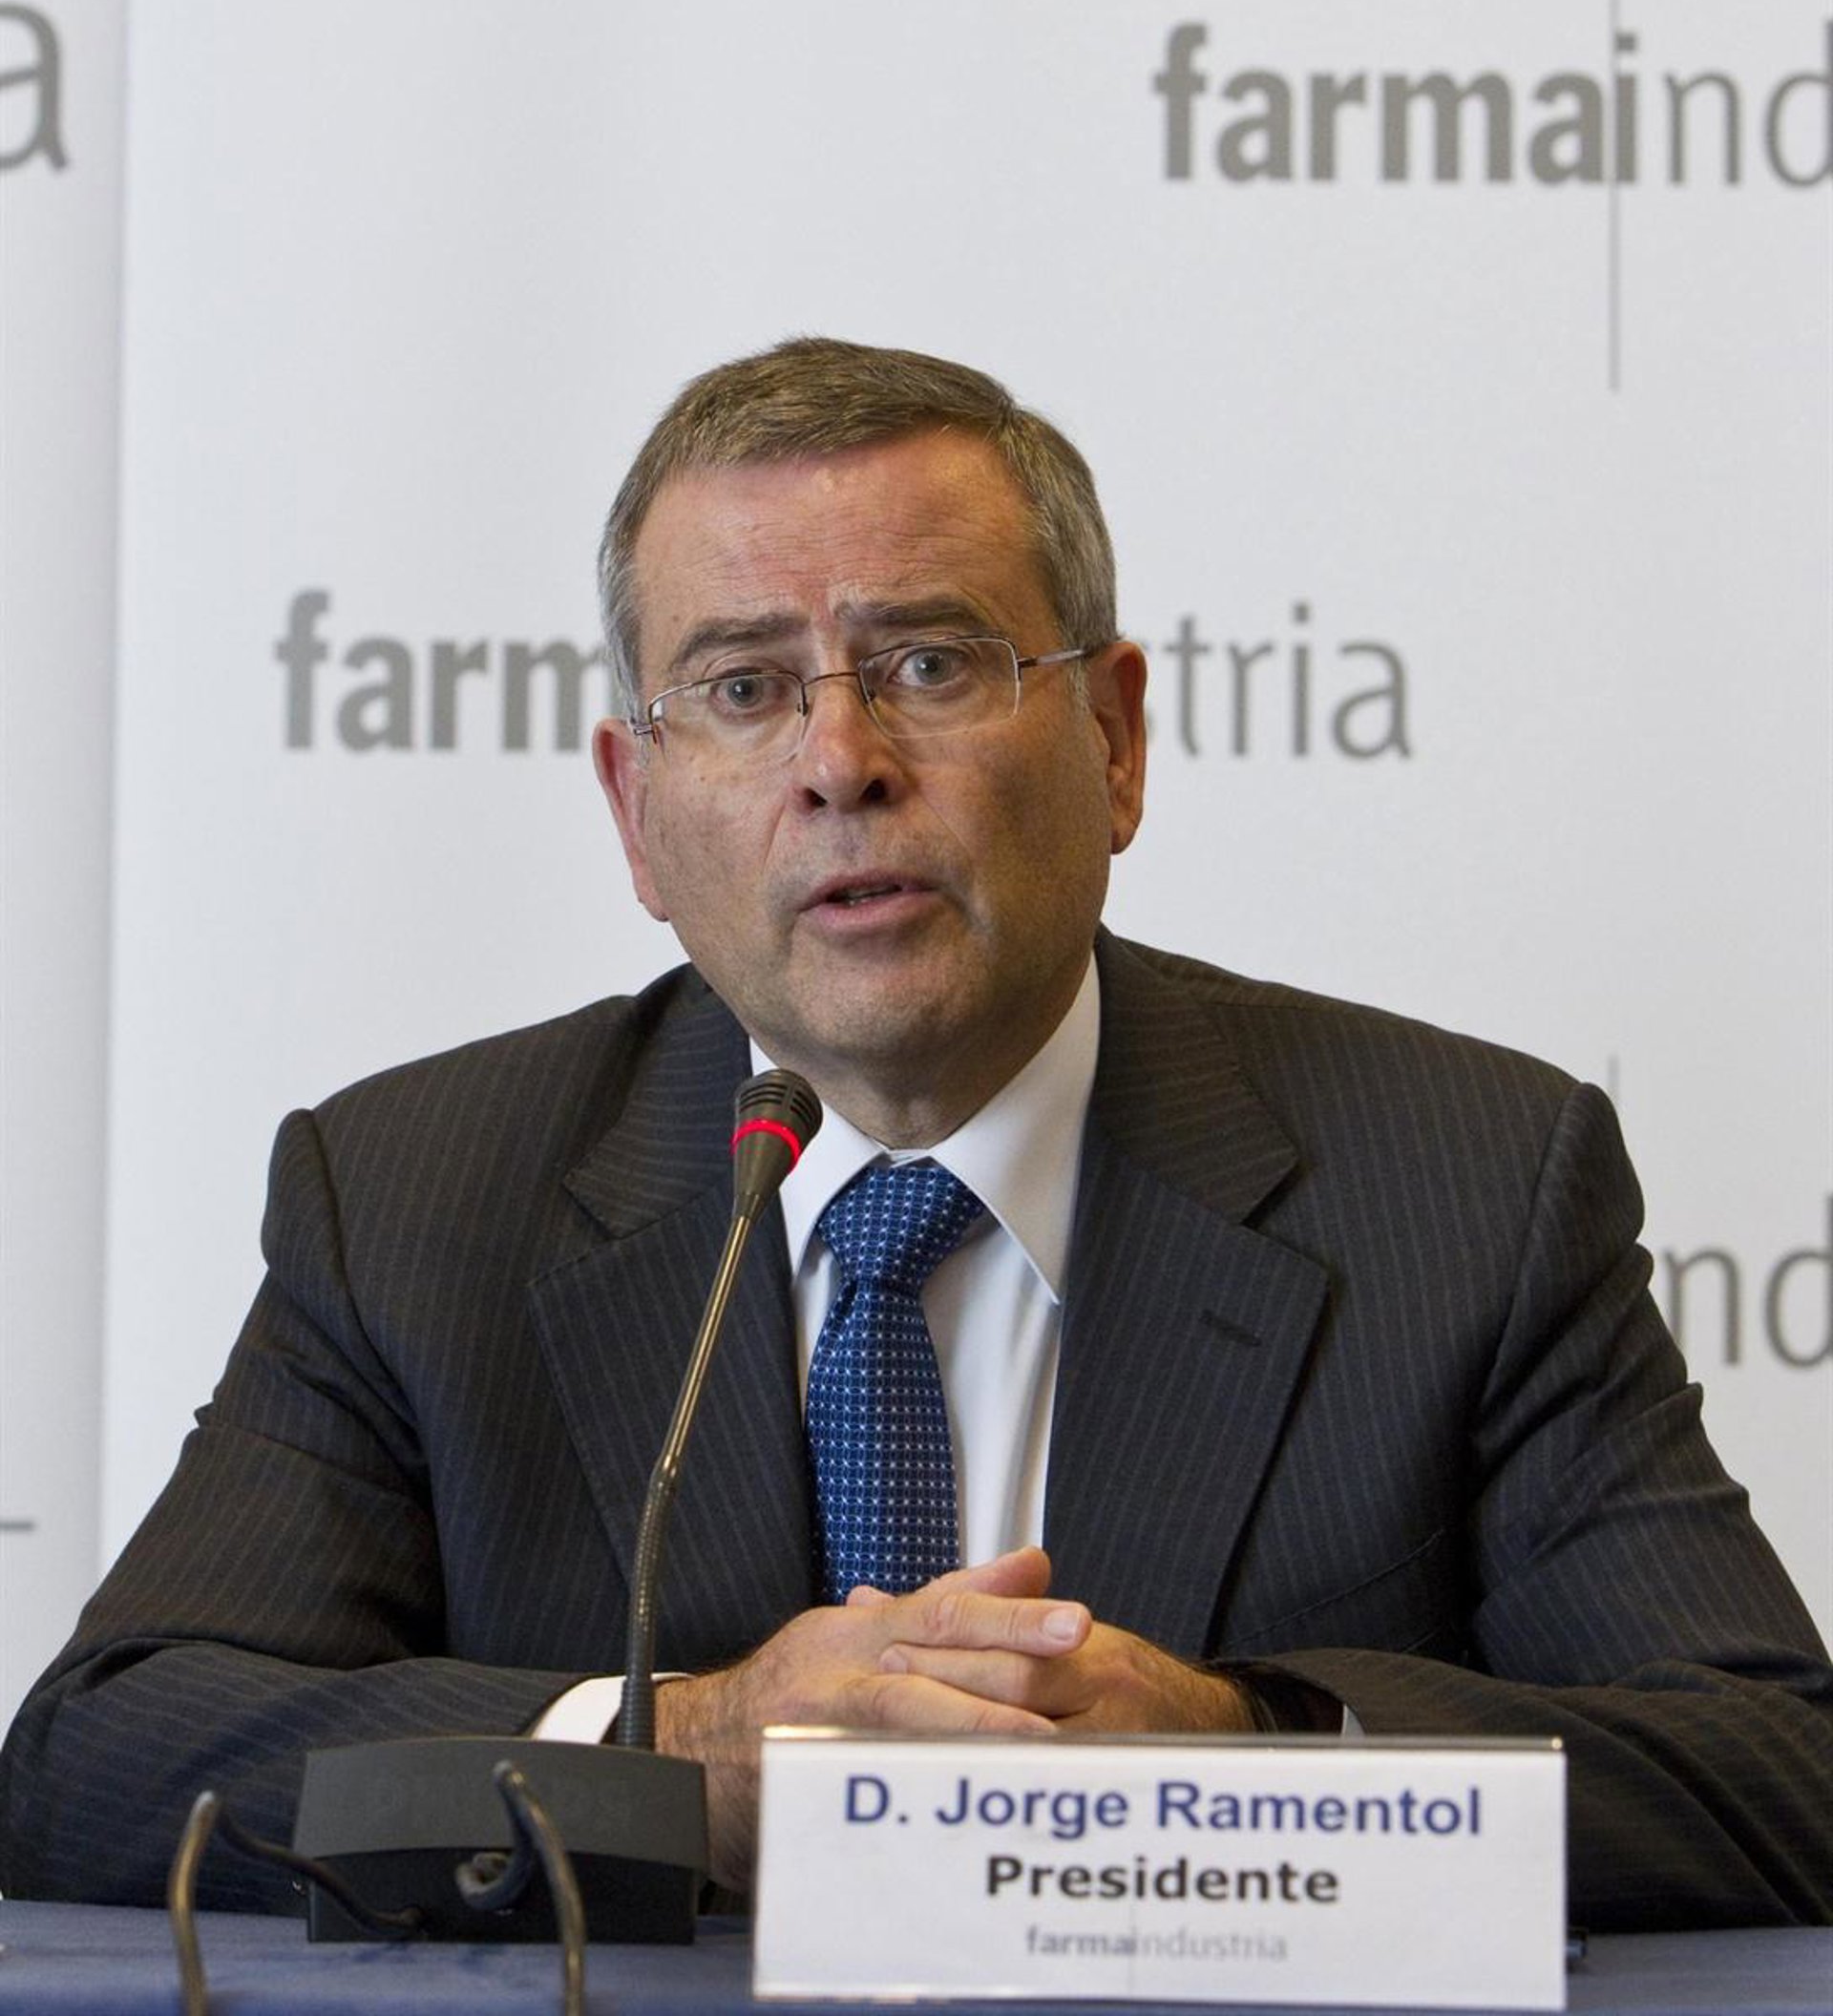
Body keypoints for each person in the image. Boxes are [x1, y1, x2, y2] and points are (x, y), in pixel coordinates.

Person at [2, 336, 1828, 1926]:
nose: (841, 759)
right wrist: (672, 1760)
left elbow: (1780, 1777)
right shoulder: (417, 1197)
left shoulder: (1465, 1182)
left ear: (1114, 739)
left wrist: (1248, 1751)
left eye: (933, 663)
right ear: (637, 814)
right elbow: (94, 1758)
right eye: (743, 686)